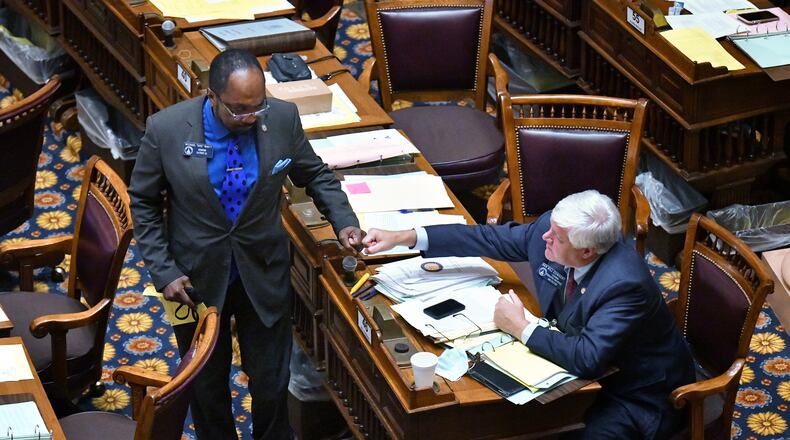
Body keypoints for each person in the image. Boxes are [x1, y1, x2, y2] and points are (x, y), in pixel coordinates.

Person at [129, 49, 363, 439]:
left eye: (257, 107)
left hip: (263, 271)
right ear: (212, 95)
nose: (250, 117)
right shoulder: (166, 129)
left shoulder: (283, 118)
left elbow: (315, 174)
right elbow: (145, 203)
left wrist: (344, 222)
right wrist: (164, 270)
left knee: (272, 384)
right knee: (205, 386)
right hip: (192, 282)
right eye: (238, 110)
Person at [363, 190, 694, 439]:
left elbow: (588, 357)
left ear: (587, 251)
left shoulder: (623, 285)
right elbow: (489, 238)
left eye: (556, 238)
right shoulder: (556, 229)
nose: (544, 237)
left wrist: (522, 327)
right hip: (581, 364)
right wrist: (406, 236)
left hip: (635, 392)